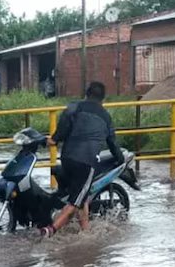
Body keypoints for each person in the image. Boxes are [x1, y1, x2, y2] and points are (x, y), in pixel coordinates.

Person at [40, 82, 124, 238]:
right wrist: (120, 160)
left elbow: (62, 129)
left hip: (66, 158)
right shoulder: (106, 117)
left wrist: (54, 139)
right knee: (75, 202)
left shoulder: (74, 107)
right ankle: (51, 230)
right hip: (86, 162)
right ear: (103, 98)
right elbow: (112, 143)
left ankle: (85, 232)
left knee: (82, 197)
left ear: (86, 94)